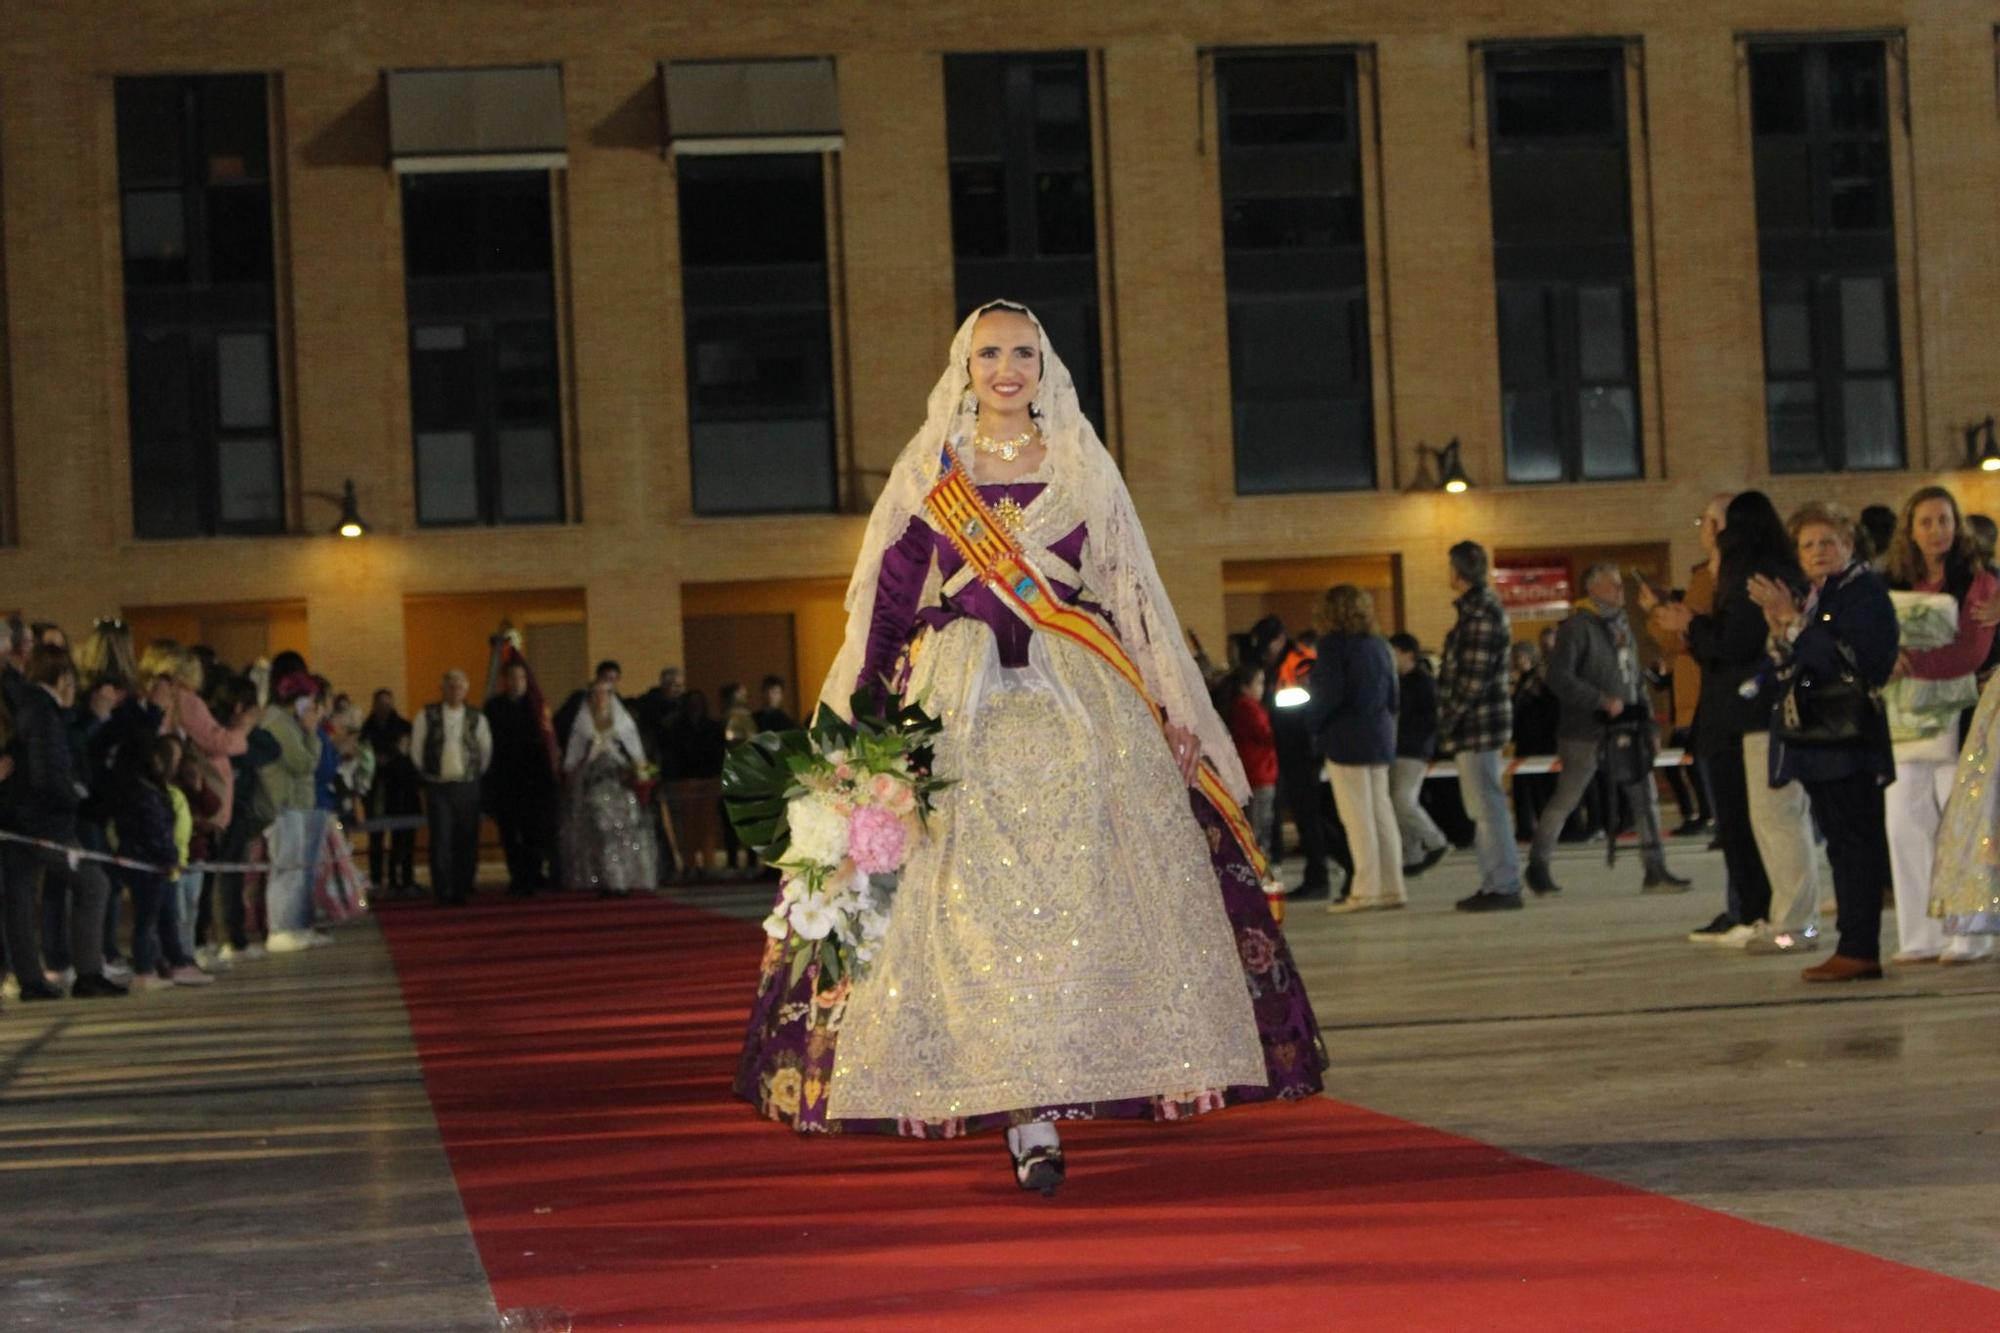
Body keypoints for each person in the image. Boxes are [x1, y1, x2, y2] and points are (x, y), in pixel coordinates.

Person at [734, 301, 1325, 1194]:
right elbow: (891, 606)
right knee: (972, 913)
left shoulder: (1084, 465)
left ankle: (1074, 1071)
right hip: (959, 715)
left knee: (1091, 904)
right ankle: (1025, 1115)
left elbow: (1130, 595)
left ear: (1044, 365)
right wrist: (865, 723)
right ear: (962, 368)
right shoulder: (931, 472)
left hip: (1080, 707)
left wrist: (1168, 704)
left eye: (1021, 352)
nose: (1006, 368)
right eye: (988, 354)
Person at [1750, 503, 1898, 979]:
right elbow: (1790, 664)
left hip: (1848, 738)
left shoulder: (1862, 593)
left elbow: (1845, 661)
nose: (1818, 552)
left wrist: (1792, 622)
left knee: (1856, 843)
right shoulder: (1819, 596)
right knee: (1840, 843)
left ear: (1849, 546)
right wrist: (1781, 631)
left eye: (1828, 542)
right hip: (1819, 740)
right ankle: (1852, 946)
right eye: (1808, 545)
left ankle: (1859, 950)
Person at [1652, 492, 1797, 947]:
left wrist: (1690, 624)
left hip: (1747, 713)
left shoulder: (1748, 573)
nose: (1711, 531)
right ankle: (1755, 913)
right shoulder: (1727, 572)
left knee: (1766, 823)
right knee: (1745, 822)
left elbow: (1735, 640)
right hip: (1727, 712)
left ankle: (1774, 918)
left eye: (1717, 522)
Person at [1881, 486, 1999, 964]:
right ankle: (1920, 935)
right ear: (1910, 529)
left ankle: (1969, 931)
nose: (1937, 531)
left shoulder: (1980, 579)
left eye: (1945, 521)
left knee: (1964, 822)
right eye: (1926, 521)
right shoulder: (1892, 579)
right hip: (1904, 720)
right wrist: (1888, 660)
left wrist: (1910, 664)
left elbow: (1972, 651)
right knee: (1904, 822)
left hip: (1965, 715)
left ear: (1958, 526)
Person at [1526, 563, 1689, 896]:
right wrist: (1598, 699)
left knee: (1644, 797)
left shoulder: (1622, 626)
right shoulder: (1576, 627)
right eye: (1613, 585)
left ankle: (1655, 868)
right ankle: (1538, 863)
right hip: (1584, 731)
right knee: (1567, 797)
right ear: (1593, 588)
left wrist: (1648, 724)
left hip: (1627, 727)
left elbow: (1633, 678)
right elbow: (1559, 676)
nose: (1620, 591)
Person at [3, 647, 123, 999]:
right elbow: (47, 772)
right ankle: (87, 973)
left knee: (20, 898)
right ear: (61, 678)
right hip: (43, 823)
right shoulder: (43, 713)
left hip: (17, 817)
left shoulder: (26, 707)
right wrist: (76, 796)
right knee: (93, 884)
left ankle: (32, 980)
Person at [1303, 586, 1405, 914]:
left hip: (1346, 738)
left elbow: (1328, 695)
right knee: (1381, 811)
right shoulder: (1379, 645)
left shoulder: (1334, 647)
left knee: (1356, 816)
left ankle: (1365, 890)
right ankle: (1392, 886)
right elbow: (1393, 694)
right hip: (1380, 735)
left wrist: (1314, 726)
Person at [1439, 540, 1522, 911]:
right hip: (1482, 724)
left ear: (1458, 573)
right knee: (1484, 807)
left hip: (1478, 726)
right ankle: (1496, 881)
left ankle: (1503, 883)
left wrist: (1449, 718)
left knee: (1486, 807)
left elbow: (1472, 679)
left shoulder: (1479, 614)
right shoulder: (1482, 611)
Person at [560, 673, 657, 894]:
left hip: (621, 786)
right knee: (601, 833)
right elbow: (573, 759)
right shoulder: (583, 725)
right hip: (595, 786)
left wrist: (639, 773)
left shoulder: (622, 723)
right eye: (595, 694)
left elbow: (635, 753)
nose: (599, 699)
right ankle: (606, 879)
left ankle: (624, 880)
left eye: (604, 694)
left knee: (624, 834)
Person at [257, 671, 327, 949]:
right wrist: (312, 732)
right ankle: (280, 928)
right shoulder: (280, 724)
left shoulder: (287, 723)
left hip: (296, 804)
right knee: (286, 868)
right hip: (284, 804)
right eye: (309, 700)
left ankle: (295, 925)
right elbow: (303, 763)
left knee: (297, 869)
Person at [412, 669, 493, 907]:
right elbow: (417, 750)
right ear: (443, 689)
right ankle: (443, 889)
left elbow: (485, 750)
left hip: (468, 786)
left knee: (467, 839)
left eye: (459, 686)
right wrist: (430, 773)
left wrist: (472, 774)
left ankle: (462, 886)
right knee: (441, 839)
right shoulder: (426, 715)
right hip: (438, 787)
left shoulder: (477, 717)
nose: (455, 690)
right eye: (450, 686)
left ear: (466, 690)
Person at [484, 662, 557, 895]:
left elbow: (548, 743)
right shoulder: (494, 708)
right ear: (505, 680)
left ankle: (533, 875)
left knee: (533, 833)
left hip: (534, 782)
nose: (517, 682)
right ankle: (517, 877)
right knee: (510, 834)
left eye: (522, 678)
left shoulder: (536, 707)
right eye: (513, 678)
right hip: (505, 780)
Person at [1387, 633, 1449, 875]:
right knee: (1397, 802)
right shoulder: (1402, 681)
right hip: (1401, 748)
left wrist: (1416, 738)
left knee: (1403, 800)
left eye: (1394, 653)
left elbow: (1430, 717)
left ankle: (1435, 841)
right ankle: (1411, 855)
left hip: (1413, 749)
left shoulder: (1421, 682)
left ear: (1407, 654)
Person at [359, 689, 419, 894]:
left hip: (400, 789)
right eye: (380, 703)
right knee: (376, 836)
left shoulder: (404, 727)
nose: (384, 707)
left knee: (401, 836)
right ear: (374, 705)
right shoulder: (366, 730)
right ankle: (377, 879)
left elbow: (410, 757)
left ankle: (401, 878)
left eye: (388, 703)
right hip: (376, 791)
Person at [1224, 663, 1279, 870]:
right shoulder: (1247, 708)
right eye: (1259, 683)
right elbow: (1265, 735)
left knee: (1261, 823)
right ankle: (1258, 867)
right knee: (1259, 825)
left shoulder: (1248, 707)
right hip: (1258, 772)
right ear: (1245, 687)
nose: (1262, 688)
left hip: (1260, 771)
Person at [1508, 640, 1559, 843]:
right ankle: (1525, 827)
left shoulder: (1539, 680)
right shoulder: (1523, 681)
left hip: (1540, 740)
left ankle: (1544, 827)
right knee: (1522, 785)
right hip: (1526, 738)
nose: (1520, 661)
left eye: (1523, 657)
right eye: (1517, 657)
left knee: (1540, 787)